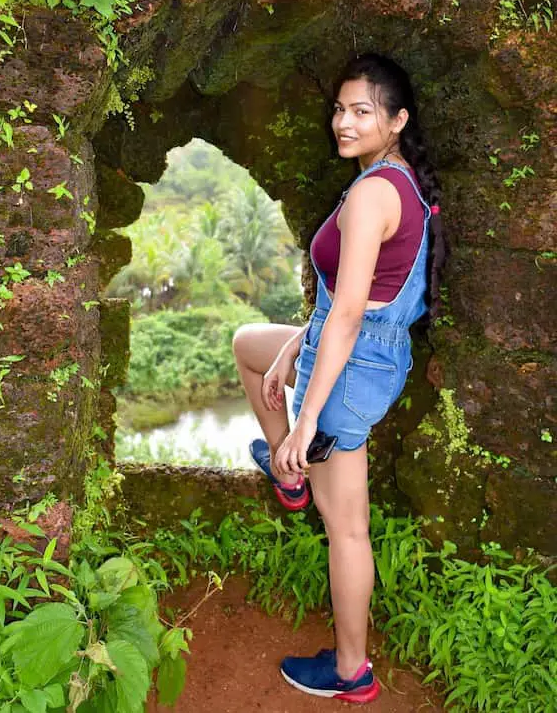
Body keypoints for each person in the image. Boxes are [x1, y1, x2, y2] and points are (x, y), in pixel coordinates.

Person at [233, 52, 445, 704]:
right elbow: (348, 300)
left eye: (362, 111)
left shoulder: (374, 193)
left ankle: (352, 670)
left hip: (351, 373)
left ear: (397, 119)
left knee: (347, 527)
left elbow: (352, 314)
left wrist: (304, 420)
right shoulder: (396, 181)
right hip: (362, 355)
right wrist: (296, 344)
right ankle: (290, 475)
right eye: (339, 109)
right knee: (250, 346)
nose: (344, 122)